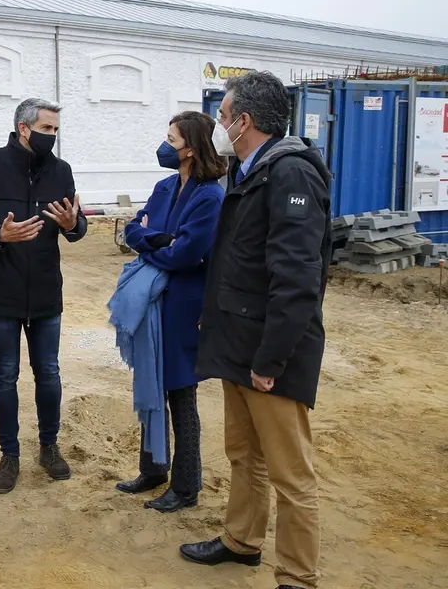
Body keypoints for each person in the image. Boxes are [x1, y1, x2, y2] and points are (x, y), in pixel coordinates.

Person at [179, 71, 331, 589]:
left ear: (242, 122)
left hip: (271, 353)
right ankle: (242, 541)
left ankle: (296, 575)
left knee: (291, 474)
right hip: (237, 341)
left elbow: (296, 278)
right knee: (244, 455)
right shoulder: (249, 171)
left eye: (223, 116)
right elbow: (241, 262)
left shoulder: (291, 174)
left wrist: (271, 360)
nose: (218, 125)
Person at [0, 97, 87, 494]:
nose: (52, 137)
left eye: (56, 131)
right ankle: (9, 453)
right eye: (47, 129)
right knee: (5, 374)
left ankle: (49, 447)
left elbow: (75, 227)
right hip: (2, 289)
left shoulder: (60, 171)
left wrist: (72, 225)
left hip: (46, 289)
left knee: (48, 371)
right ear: (24, 128)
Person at [116, 111, 227, 513]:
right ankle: (153, 469)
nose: (164, 146)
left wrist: (155, 241)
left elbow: (186, 254)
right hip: (154, 304)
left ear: (191, 149)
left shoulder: (210, 196)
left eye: (171, 139)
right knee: (150, 386)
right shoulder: (164, 187)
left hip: (184, 308)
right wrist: (158, 238)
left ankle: (186, 486)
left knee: (181, 396)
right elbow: (131, 230)